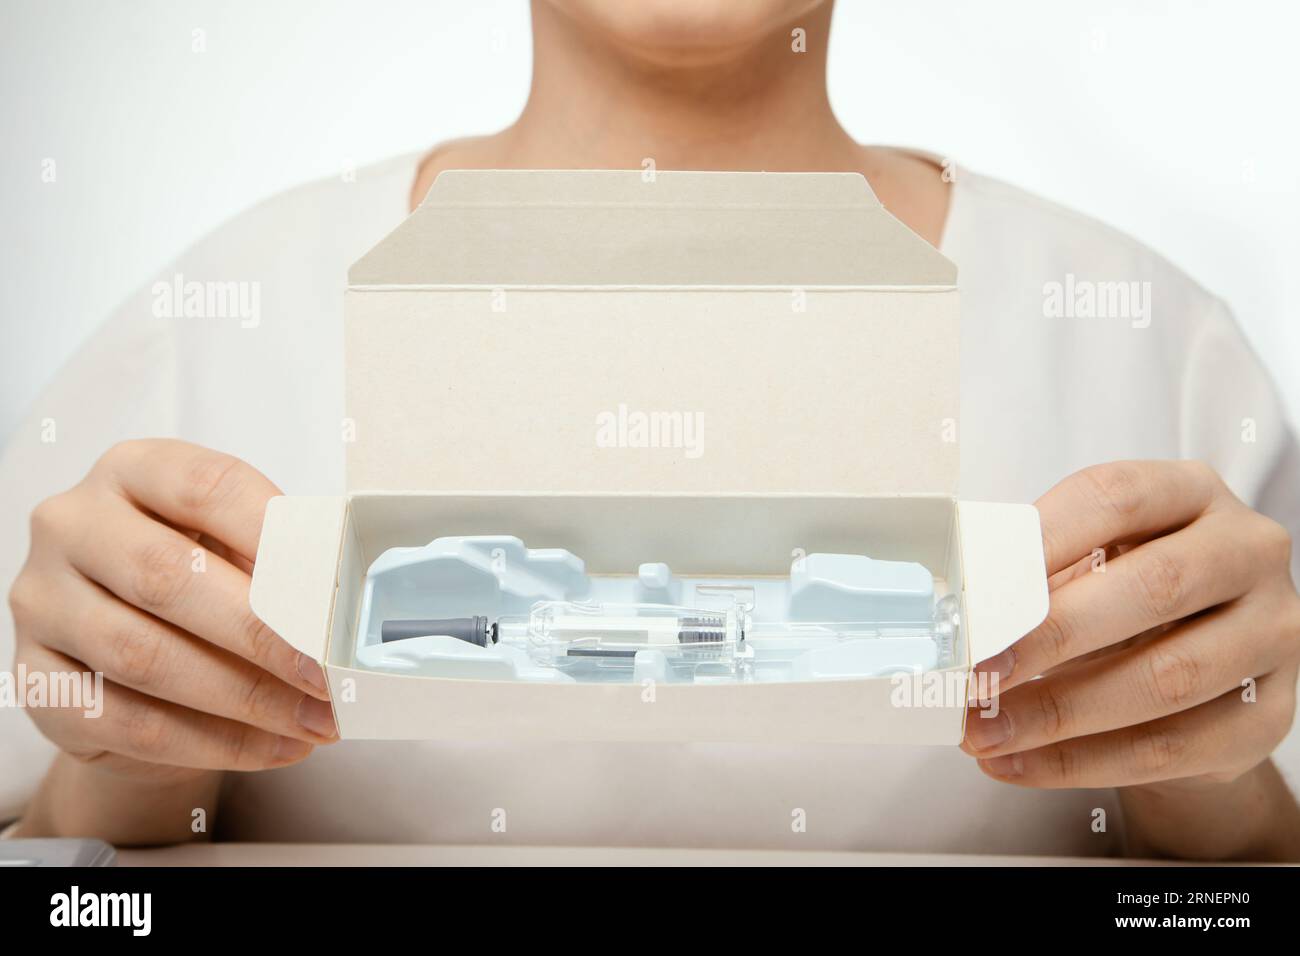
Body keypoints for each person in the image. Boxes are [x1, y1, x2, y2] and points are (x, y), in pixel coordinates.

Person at [3, 0, 1298, 860]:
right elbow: (67, 872)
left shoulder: (1152, 353)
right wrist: (117, 769)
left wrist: (1212, 798)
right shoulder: (205, 335)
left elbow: (1245, 873)